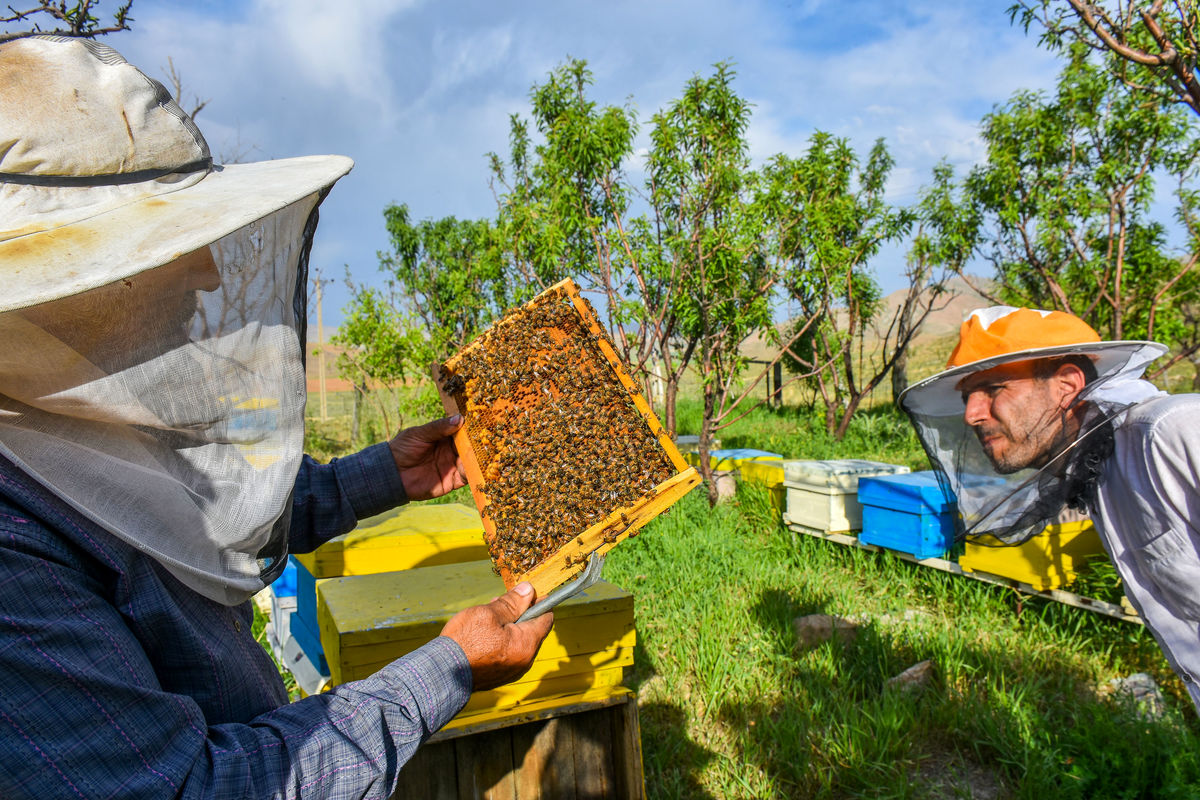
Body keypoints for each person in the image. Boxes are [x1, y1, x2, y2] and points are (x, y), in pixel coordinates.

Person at [0, 36, 552, 798]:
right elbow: (198, 789)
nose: (204, 274)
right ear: (49, 291)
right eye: (157, 246)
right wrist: (443, 670)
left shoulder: (60, 421)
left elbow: (201, 520)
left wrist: (383, 475)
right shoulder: (11, 557)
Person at [898, 305, 1200, 710]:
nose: (971, 414)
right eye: (969, 397)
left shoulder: (1174, 431)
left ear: (1067, 385)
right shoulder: (1100, 474)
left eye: (993, 388)